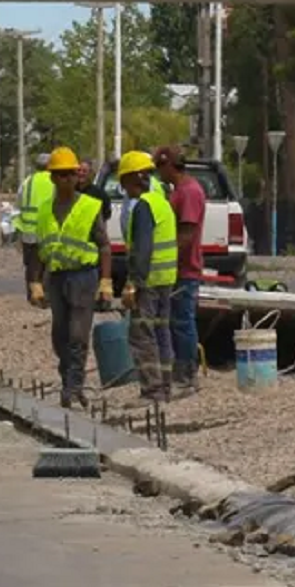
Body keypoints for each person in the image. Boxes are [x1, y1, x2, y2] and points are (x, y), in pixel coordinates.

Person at [26, 146, 111, 409]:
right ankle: (68, 382)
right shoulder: (44, 211)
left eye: (69, 175)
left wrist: (106, 282)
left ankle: (73, 387)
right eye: (60, 175)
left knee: (77, 334)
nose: (65, 179)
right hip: (57, 278)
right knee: (60, 334)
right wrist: (35, 281)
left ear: (77, 177)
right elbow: (40, 249)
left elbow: (104, 245)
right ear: (52, 178)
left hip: (83, 277)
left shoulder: (89, 207)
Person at [115, 150, 178, 402]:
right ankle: (165, 386)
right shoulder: (162, 202)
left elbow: (143, 249)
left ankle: (152, 389)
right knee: (162, 332)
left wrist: (133, 283)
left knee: (142, 335)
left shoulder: (143, 207)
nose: (124, 189)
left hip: (149, 280)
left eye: (124, 182)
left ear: (134, 179)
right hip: (165, 279)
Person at [155, 145, 206, 390]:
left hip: (184, 270)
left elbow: (186, 234)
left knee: (183, 321)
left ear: (168, 165)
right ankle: (179, 368)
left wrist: (168, 261)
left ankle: (188, 371)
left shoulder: (189, 192)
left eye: (158, 167)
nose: (157, 174)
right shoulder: (179, 191)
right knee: (175, 320)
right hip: (175, 269)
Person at [13, 153, 52, 285]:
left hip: (29, 233)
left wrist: (17, 230)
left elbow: (17, 207)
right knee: (48, 266)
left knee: (32, 267)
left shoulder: (27, 182)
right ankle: (47, 294)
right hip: (50, 233)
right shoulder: (56, 181)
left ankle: (33, 293)